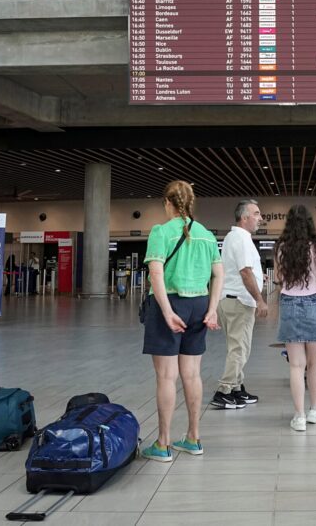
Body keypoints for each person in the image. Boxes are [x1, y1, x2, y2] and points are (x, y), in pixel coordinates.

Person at [141, 180, 222, 462]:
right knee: (192, 374)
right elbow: (218, 274)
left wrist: (166, 311)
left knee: (166, 376)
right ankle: (193, 438)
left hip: (170, 303)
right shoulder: (206, 235)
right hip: (199, 305)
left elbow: (156, 274)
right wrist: (212, 310)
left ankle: (163, 444)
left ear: (168, 203)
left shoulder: (161, 232)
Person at [273, 205, 316, 431]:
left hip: (289, 304)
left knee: (296, 365)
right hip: (314, 304)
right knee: (314, 364)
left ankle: (298, 416)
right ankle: (314, 410)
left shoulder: (281, 247)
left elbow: (278, 278)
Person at [211, 199, 267, 409]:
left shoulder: (232, 237)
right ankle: (223, 391)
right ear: (244, 217)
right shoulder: (242, 239)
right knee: (240, 349)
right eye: (257, 214)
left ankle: (236, 388)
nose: (260, 218)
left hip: (230, 300)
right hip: (239, 302)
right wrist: (260, 300)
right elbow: (245, 272)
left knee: (236, 347)